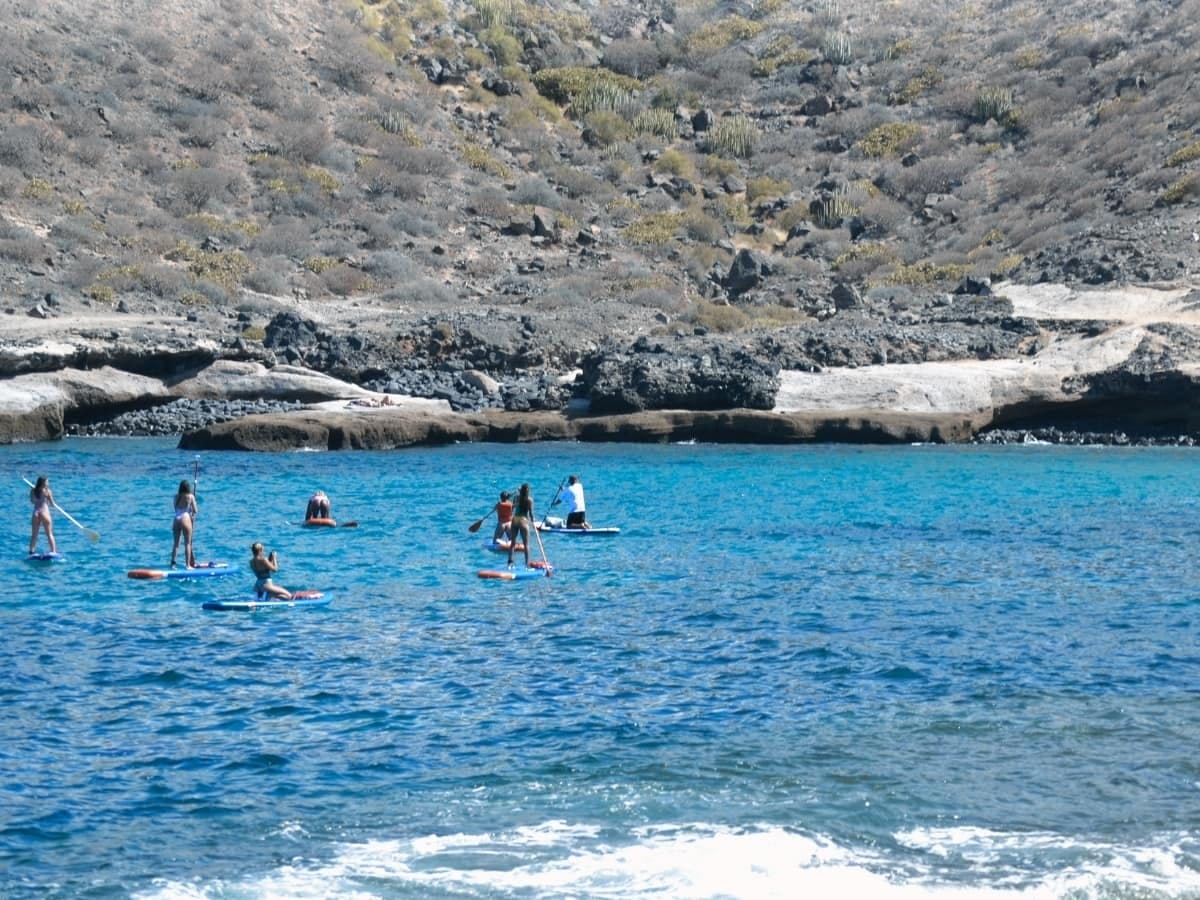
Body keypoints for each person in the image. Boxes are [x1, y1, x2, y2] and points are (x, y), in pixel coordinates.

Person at [170, 479, 198, 569]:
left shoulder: (175, 497)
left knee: (176, 544)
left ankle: (173, 564)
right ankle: (187, 565)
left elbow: (176, 509)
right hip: (186, 518)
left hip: (176, 519)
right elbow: (195, 510)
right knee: (187, 543)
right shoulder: (190, 496)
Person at [506, 483, 534, 569]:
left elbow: (512, 508)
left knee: (512, 543)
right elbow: (531, 513)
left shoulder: (516, 498)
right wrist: (533, 520)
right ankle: (527, 564)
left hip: (515, 520)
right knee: (526, 544)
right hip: (523, 520)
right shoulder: (529, 500)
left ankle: (510, 562)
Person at [29, 475, 56, 555]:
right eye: (47, 481)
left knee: (34, 535)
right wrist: (53, 504)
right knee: (49, 534)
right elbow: (52, 504)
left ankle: (31, 552)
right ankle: (53, 551)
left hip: (36, 513)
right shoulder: (48, 491)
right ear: (44, 483)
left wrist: (32, 492)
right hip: (45, 512)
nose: (48, 483)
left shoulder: (33, 490)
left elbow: (32, 501)